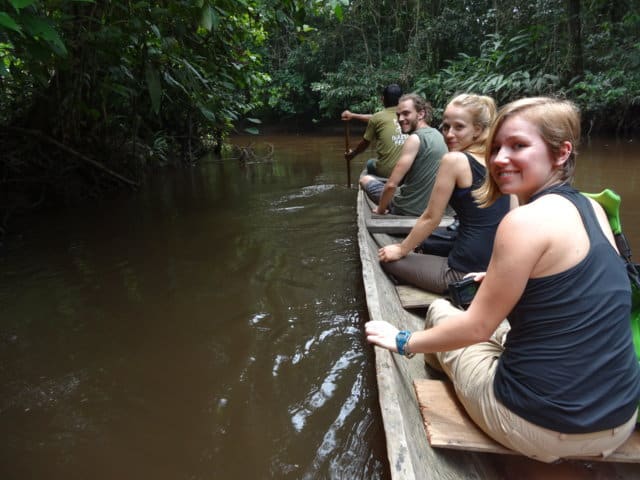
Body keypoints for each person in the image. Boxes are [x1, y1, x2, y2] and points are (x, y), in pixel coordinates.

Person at [365, 97, 640, 463]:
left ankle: (444, 372)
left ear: (561, 154)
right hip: (621, 418)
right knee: (493, 325)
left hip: (544, 427)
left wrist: (404, 340)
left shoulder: (523, 222)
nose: (499, 159)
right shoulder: (593, 207)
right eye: (496, 147)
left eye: (518, 146)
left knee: (441, 311)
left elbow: (477, 327)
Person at [378, 94, 512, 293]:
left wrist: (400, 249)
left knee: (386, 260)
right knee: (430, 242)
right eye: (446, 126)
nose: (449, 134)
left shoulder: (454, 160)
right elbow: (513, 214)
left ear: (477, 129)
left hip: (464, 271)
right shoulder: (499, 158)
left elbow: (431, 217)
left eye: (459, 127)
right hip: (499, 267)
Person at [360, 93, 448, 217]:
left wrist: (381, 209)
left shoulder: (414, 139)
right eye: (398, 115)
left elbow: (391, 185)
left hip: (408, 208)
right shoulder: (438, 135)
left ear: (421, 114)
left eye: (406, 113)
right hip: (433, 208)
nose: (400, 119)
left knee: (365, 179)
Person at [342, 84, 407, 178]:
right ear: (402, 100)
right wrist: (352, 115)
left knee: (370, 163)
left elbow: (365, 144)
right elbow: (374, 118)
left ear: (382, 99)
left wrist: (353, 154)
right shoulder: (409, 115)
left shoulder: (378, 117)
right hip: (407, 172)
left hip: (387, 173)